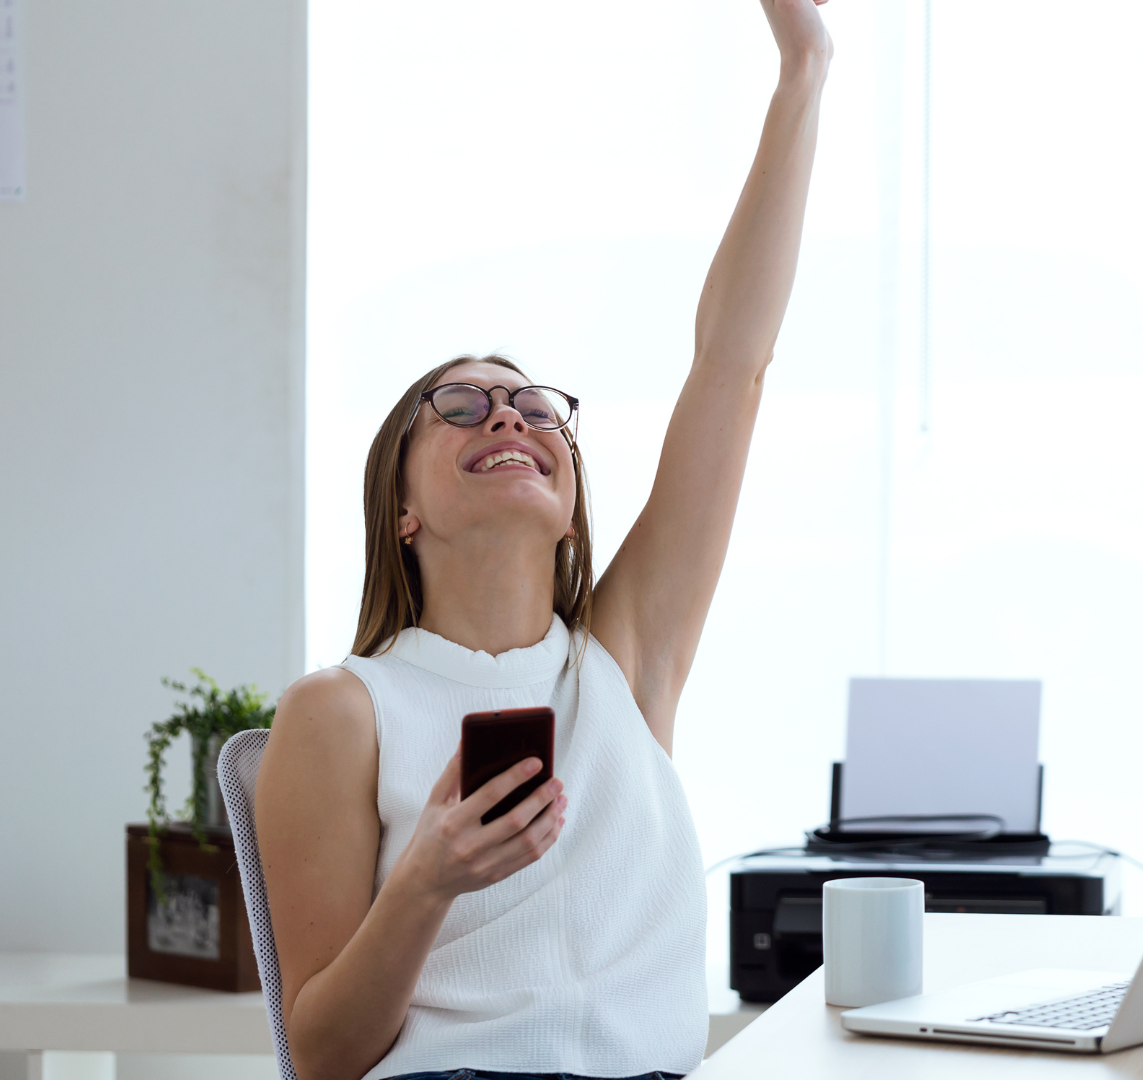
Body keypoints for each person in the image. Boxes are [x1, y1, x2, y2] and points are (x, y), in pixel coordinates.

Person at [253, 3, 832, 1079]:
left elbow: (730, 368)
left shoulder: (625, 663)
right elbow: (325, 1055)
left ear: (569, 505)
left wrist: (804, 68)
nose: (510, 417)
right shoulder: (341, 712)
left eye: (533, 406)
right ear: (402, 510)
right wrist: (425, 878)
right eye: (461, 407)